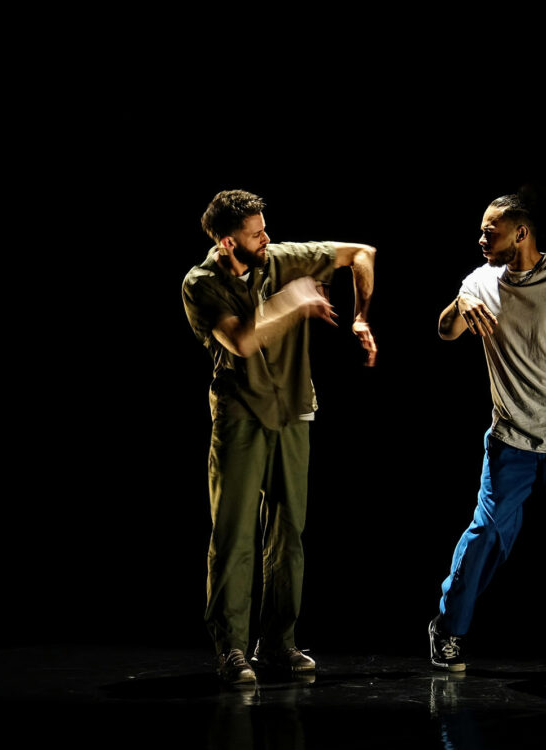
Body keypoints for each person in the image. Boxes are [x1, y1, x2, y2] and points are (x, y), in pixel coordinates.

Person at [182, 189, 377, 686]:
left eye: (265, 228)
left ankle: (278, 643)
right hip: (241, 414)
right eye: (255, 234)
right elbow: (243, 340)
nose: (266, 238)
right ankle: (231, 648)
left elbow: (361, 254)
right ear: (228, 243)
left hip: (294, 409)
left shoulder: (280, 257)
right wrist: (294, 299)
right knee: (235, 533)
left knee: (289, 532)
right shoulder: (201, 284)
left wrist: (360, 315)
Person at [429, 192, 546, 678]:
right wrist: (460, 303)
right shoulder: (480, 281)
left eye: (490, 230)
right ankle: (447, 630)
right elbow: (446, 331)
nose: (481, 238)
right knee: (488, 533)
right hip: (510, 437)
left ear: (521, 233)